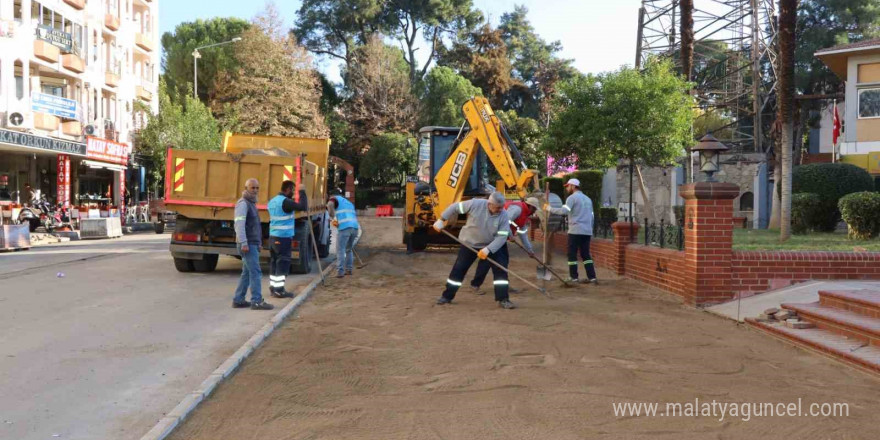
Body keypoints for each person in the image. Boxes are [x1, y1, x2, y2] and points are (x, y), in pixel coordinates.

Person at [433, 191, 516, 309]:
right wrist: (442, 219)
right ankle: (447, 296)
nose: (500, 210)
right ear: (489, 204)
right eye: (498, 207)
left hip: (492, 245)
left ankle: (503, 299)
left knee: (501, 271)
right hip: (469, 243)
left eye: (502, 207)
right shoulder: (475, 204)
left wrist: (488, 249)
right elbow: (455, 207)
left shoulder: (504, 215)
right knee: (459, 269)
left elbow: (502, 237)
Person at [468, 197, 541, 294]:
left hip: (501, 238)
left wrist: (529, 250)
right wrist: (510, 235)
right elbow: (505, 220)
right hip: (493, 236)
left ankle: (504, 285)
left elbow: (522, 234)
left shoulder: (524, 215)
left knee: (503, 261)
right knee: (486, 262)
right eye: (534, 209)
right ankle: (475, 285)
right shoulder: (517, 209)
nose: (534, 211)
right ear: (530, 206)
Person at [545, 178, 597, 284]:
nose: (567, 188)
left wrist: (549, 208)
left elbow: (564, 211)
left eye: (568, 186)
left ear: (573, 186)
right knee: (586, 255)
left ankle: (574, 277)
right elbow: (592, 216)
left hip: (575, 230)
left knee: (572, 254)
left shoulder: (572, 198)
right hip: (587, 231)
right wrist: (590, 228)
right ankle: (592, 277)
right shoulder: (588, 199)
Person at [233, 178, 274, 310]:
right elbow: (239, 225)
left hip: (252, 243)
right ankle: (256, 301)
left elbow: (255, 226)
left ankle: (238, 300)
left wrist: (259, 243)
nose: (255, 190)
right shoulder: (243, 204)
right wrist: (244, 242)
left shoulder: (251, 204)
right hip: (247, 244)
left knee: (247, 273)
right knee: (255, 272)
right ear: (246, 189)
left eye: (257, 188)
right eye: (252, 188)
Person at [267, 180, 308, 298]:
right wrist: (302, 192)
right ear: (288, 189)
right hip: (283, 237)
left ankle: (273, 288)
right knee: (283, 263)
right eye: (293, 190)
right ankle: (279, 290)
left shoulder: (272, 201)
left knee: (274, 263)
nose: (294, 193)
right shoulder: (286, 202)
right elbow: (302, 206)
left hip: (273, 236)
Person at [327, 188, 359, 278]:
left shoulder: (334, 199)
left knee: (340, 250)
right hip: (355, 228)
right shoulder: (348, 202)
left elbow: (330, 204)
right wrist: (336, 221)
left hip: (345, 228)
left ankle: (340, 271)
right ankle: (349, 269)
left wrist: (331, 215)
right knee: (348, 249)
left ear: (332, 195)